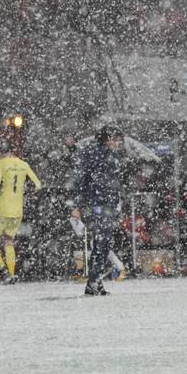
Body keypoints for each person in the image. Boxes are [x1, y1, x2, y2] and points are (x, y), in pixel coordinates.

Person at [72, 125, 124, 296]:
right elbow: (82, 179)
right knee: (101, 243)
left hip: (107, 204)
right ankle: (94, 281)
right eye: (115, 139)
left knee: (104, 244)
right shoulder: (95, 154)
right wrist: (78, 204)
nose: (118, 142)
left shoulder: (113, 155)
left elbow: (115, 182)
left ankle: (96, 281)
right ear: (107, 139)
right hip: (97, 204)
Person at [0, 139, 41, 284]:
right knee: (9, 241)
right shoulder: (23, 164)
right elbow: (38, 184)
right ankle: (12, 273)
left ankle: (1, 268)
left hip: (1, 208)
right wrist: (24, 194)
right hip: (17, 210)